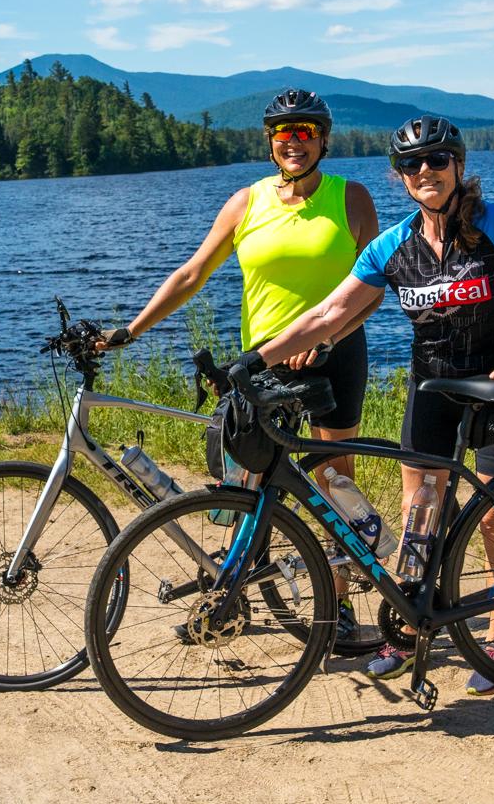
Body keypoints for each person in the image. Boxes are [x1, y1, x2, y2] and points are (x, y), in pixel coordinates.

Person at [231, 114, 494, 694]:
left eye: (437, 160)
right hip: (431, 391)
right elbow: (325, 317)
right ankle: (411, 632)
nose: (425, 171)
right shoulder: (393, 246)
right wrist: (256, 360)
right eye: (412, 164)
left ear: (458, 167)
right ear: (399, 177)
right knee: (419, 511)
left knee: (493, 516)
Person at [97, 89, 381, 640]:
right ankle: (229, 597)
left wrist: (330, 338)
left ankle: (338, 605)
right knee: (246, 480)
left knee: (334, 481)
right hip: (265, 363)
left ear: (323, 139)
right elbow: (191, 274)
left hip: (335, 356)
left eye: (305, 132)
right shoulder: (247, 202)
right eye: (283, 133)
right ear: (270, 141)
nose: (294, 142)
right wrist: (129, 330)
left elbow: (373, 289)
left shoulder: (352, 199)